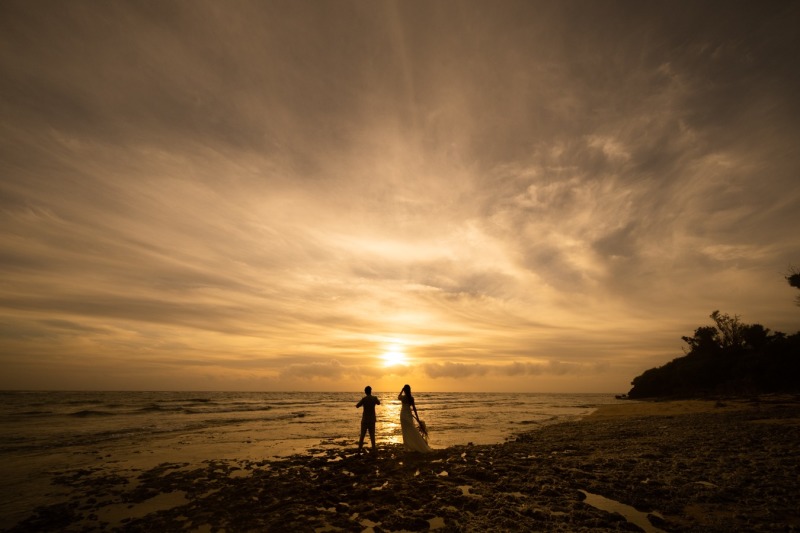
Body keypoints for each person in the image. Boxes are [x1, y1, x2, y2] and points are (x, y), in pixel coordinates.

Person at [398, 384, 431, 452]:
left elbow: (398, 397)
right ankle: (411, 445)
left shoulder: (403, 397)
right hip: (408, 414)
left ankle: (407, 447)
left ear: (405, 390)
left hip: (403, 415)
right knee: (411, 429)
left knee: (405, 431)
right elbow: (414, 408)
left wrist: (401, 390)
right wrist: (417, 418)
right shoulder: (411, 398)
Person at [356, 386, 381, 453]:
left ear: (365, 391)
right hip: (372, 419)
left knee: (362, 435)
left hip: (365, 419)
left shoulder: (364, 399)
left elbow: (357, 405)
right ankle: (373, 449)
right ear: (371, 391)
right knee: (372, 435)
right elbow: (379, 403)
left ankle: (359, 449)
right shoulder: (374, 398)